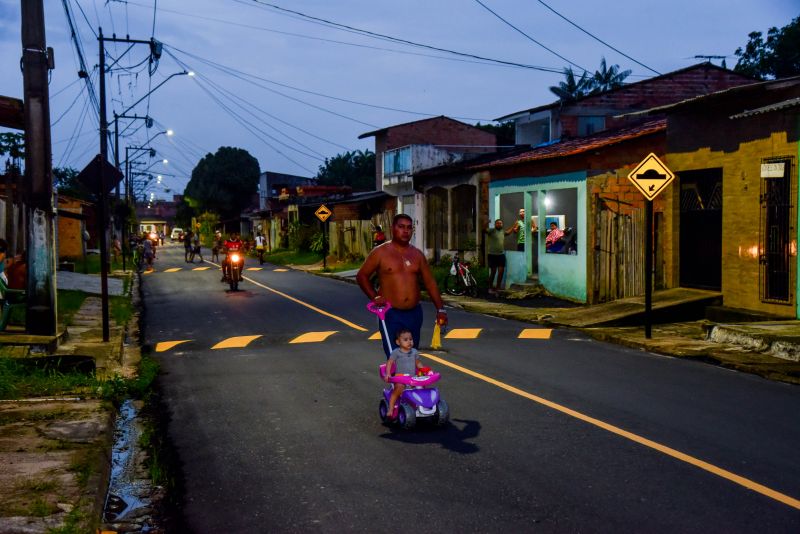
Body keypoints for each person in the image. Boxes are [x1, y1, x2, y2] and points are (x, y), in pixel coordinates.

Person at [356, 214, 447, 358]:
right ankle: (399, 380)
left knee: (410, 356)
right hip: (390, 313)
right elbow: (362, 276)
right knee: (395, 357)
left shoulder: (417, 255)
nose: (406, 231)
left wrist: (440, 308)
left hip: (414, 313)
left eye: (409, 228)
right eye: (401, 227)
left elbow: (430, 283)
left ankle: (405, 380)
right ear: (393, 228)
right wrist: (374, 297)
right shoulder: (380, 252)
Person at [384, 328, 425, 420]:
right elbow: (390, 362)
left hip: (412, 378)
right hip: (400, 378)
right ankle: (390, 408)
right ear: (398, 342)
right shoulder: (396, 352)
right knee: (398, 389)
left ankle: (422, 405)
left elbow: (418, 363)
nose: (409, 342)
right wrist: (388, 373)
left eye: (411, 339)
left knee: (422, 387)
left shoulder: (414, 351)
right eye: (405, 340)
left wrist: (424, 370)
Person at [485, 219, 506, 293]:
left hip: (501, 254)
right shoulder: (492, 231)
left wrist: (514, 227)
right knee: (493, 272)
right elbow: (484, 230)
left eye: (500, 223)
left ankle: (498, 287)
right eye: (498, 223)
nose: (499, 224)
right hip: (492, 255)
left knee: (501, 272)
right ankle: (490, 287)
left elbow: (508, 232)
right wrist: (486, 222)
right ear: (495, 224)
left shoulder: (502, 231)